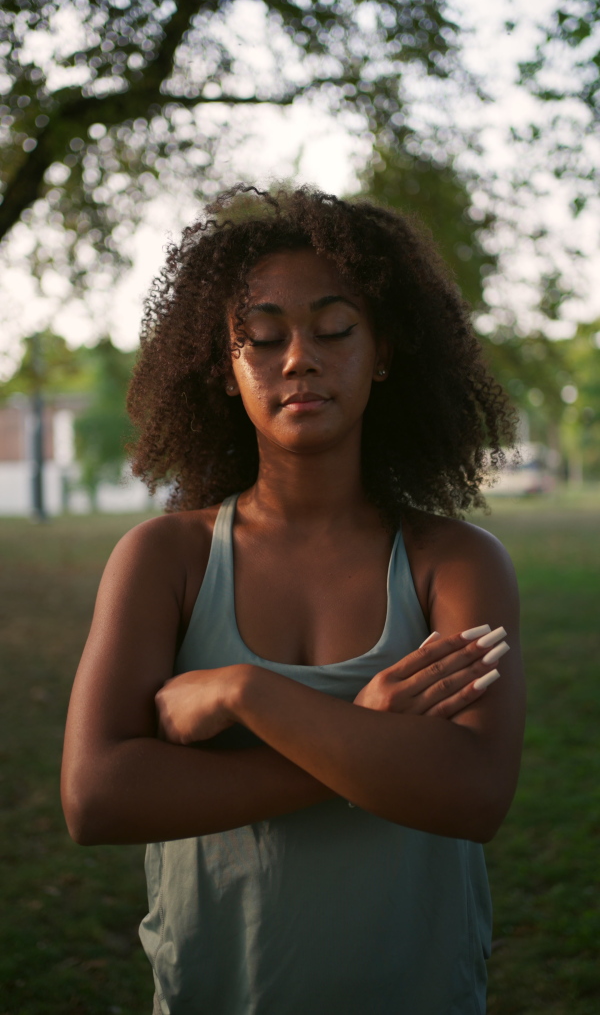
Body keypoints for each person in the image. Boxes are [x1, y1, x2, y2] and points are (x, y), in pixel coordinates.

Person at [61, 184, 525, 1015]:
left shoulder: (454, 562)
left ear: (382, 349)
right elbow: (96, 796)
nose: (298, 358)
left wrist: (248, 692)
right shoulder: (166, 558)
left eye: (334, 329)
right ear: (227, 370)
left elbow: (474, 793)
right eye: (263, 338)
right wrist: (365, 741)